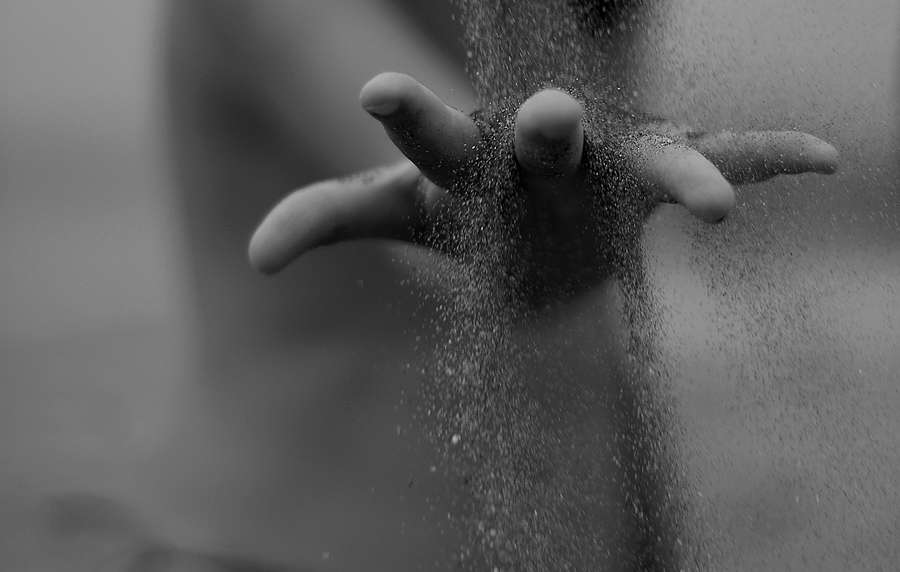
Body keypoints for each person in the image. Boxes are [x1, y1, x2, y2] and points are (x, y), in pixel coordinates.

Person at [160, 1, 838, 570]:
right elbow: (467, 196)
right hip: (300, 544)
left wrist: (646, 538)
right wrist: (513, 211)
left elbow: (579, 319)